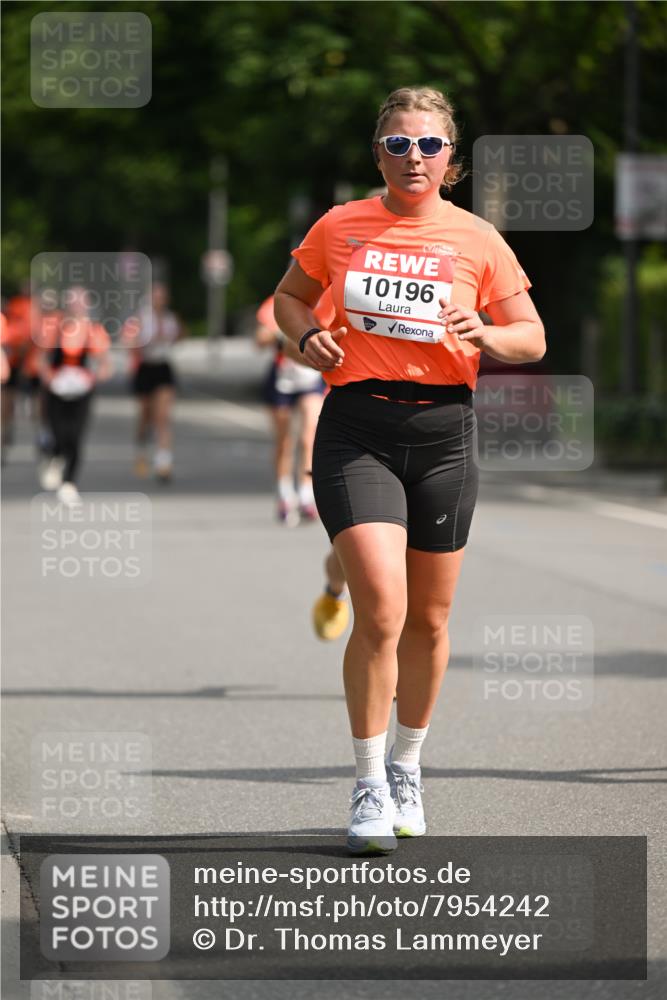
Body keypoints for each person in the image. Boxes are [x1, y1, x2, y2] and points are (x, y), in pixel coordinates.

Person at [274, 86, 545, 854]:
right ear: (378, 155)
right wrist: (307, 338)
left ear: (449, 160)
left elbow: (531, 337)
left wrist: (485, 333)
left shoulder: (476, 238)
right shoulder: (339, 225)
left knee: (428, 620)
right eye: (397, 144)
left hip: (443, 435)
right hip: (356, 428)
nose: (413, 157)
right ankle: (366, 783)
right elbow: (289, 300)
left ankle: (405, 768)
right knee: (383, 612)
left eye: (428, 145)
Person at [255, 294, 327, 524]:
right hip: (283, 379)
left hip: (311, 378)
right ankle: (285, 493)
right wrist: (282, 333)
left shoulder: (325, 300)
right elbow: (260, 339)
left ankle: (306, 495)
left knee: (309, 437)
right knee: (285, 441)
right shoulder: (278, 300)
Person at [38, 285, 112, 504]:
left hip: (81, 392)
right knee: (59, 432)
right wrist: (50, 378)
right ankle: (54, 456)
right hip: (57, 391)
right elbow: (41, 359)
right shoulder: (54, 328)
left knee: (76, 436)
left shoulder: (94, 331)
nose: (76, 306)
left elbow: (104, 363)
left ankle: (69, 482)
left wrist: (92, 378)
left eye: (80, 302)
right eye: (72, 302)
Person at [124, 281, 185, 481]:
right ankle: (141, 449)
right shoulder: (141, 319)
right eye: (156, 297)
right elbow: (130, 343)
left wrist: (175, 335)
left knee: (163, 417)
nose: (159, 300)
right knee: (145, 415)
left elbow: (179, 337)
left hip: (162, 367)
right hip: (145, 368)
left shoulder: (171, 318)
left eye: (162, 297)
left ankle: (163, 462)